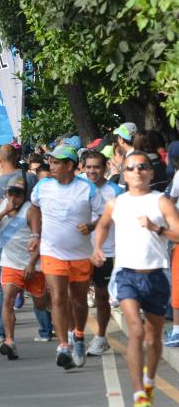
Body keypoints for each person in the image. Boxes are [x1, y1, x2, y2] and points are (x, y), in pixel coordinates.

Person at [91, 150, 179, 407]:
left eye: (143, 167)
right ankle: (139, 392)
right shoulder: (117, 203)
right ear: (124, 174)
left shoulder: (161, 202)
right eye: (131, 168)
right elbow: (103, 225)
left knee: (152, 338)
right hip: (126, 275)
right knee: (136, 331)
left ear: (151, 173)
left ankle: (149, 383)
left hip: (156, 275)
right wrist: (97, 248)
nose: (137, 172)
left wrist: (158, 229)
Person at [29, 144, 104, 370]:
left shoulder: (87, 189)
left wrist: (91, 226)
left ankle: (78, 336)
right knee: (58, 298)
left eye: (56, 162)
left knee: (78, 301)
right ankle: (63, 345)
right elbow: (33, 208)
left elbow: (104, 215)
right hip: (52, 252)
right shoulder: (43, 186)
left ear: (70, 165)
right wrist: (35, 233)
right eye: (50, 161)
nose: (51, 165)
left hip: (80, 254)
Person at [0, 177, 48, 360]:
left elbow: (40, 238)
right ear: (6, 193)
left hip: (32, 266)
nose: (14, 197)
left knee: (41, 304)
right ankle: (10, 340)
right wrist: (3, 212)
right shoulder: (0, 205)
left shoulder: (31, 210)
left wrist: (32, 263)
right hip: (10, 264)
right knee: (7, 300)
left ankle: (53, 305)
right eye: (11, 193)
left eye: (18, 194)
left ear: (24, 195)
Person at [81, 150, 123, 356]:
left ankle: (100, 337)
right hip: (79, 251)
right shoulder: (77, 187)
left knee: (101, 296)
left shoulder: (115, 191)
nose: (92, 171)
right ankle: (75, 335)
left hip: (106, 251)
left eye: (96, 167)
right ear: (82, 167)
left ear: (105, 166)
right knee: (75, 296)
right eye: (88, 167)